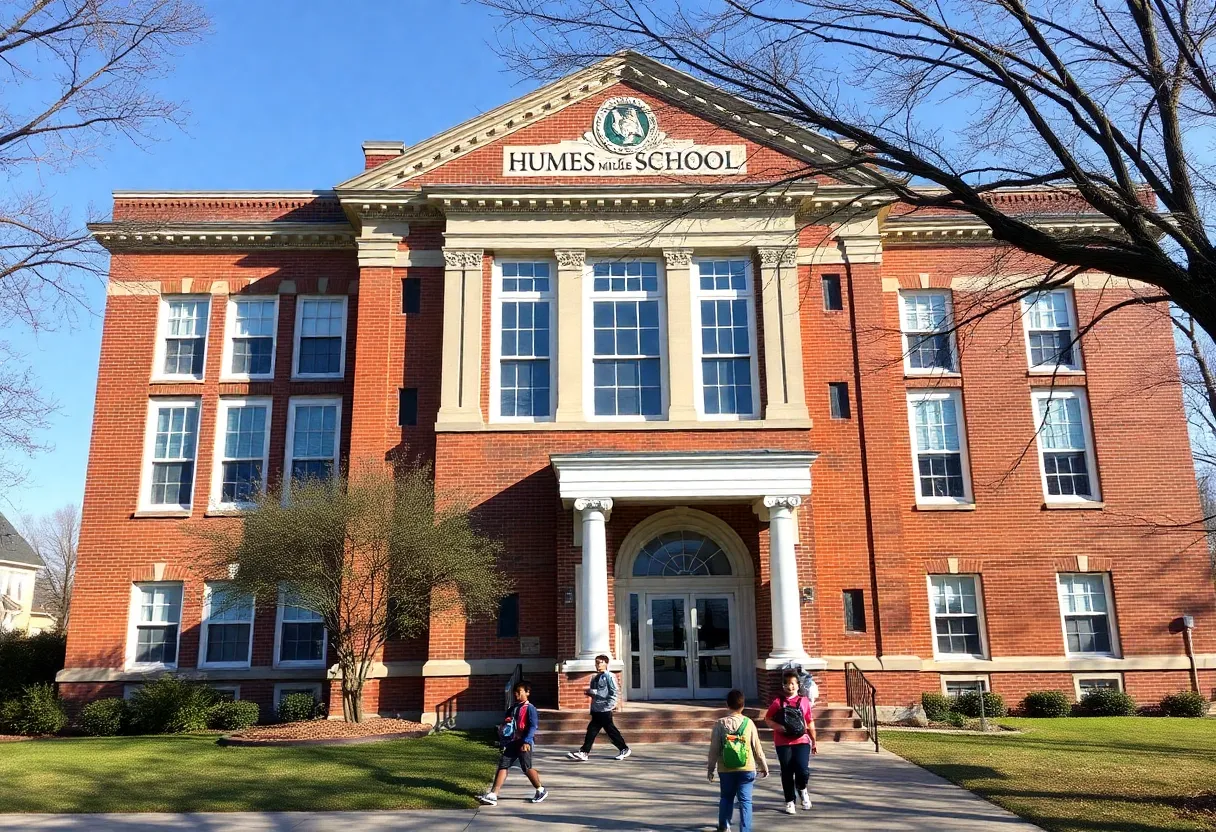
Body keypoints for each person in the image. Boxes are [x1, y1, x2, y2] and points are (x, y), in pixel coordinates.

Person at [707, 688, 768, 832]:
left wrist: (710, 768)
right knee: (745, 801)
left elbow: (714, 749)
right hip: (746, 768)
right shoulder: (749, 723)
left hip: (726, 768)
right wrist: (763, 765)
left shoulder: (720, 724)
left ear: (727, 704)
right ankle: (745, 829)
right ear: (743, 705)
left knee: (726, 797)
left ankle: (724, 825)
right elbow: (757, 748)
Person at [478, 680, 548, 805]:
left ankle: (541, 789)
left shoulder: (530, 709)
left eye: (519, 692)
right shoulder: (513, 708)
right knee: (503, 765)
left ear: (527, 692)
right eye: (515, 692)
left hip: (524, 742)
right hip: (512, 742)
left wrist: (527, 741)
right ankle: (493, 795)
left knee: (526, 768)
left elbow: (533, 726)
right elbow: (507, 722)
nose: (516, 695)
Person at [763, 669, 817, 814]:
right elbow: (767, 719)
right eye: (786, 683)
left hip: (802, 740)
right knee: (786, 771)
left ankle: (802, 788)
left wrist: (814, 740)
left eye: (792, 683)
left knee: (802, 770)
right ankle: (789, 801)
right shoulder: (777, 702)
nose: (789, 686)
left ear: (798, 685)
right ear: (782, 685)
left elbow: (809, 721)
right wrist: (777, 727)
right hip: (783, 742)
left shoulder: (804, 701)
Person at [566, 654, 631, 761]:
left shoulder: (609, 676)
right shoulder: (595, 677)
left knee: (605, 730)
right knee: (599, 730)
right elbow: (596, 693)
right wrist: (590, 694)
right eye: (596, 662)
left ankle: (623, 748)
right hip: (596, 709)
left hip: (604, 709)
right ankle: (585, 752)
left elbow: (614, 691)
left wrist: (610, 705)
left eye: (600, 662)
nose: (598, 665)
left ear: (606, 663)